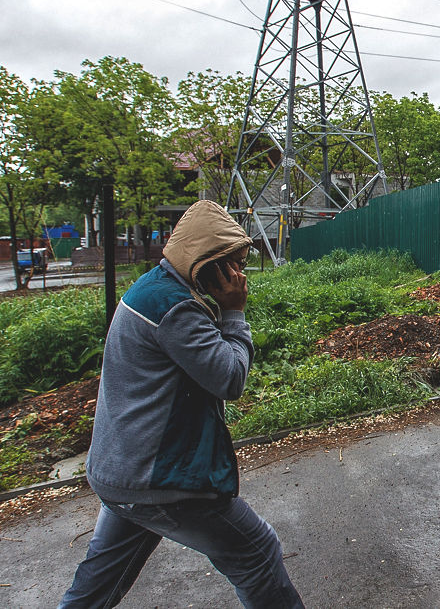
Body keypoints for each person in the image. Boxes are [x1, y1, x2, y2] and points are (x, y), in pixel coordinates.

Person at [60, 200, 304, 608]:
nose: (238, 275)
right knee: (256, 551)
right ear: (205, 261)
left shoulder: (153, 288)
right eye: (231, 264)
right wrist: (233, 314)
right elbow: (229, 378)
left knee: (96, 588)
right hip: (160, 477)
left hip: (122, 469)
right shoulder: (176, 307)